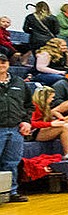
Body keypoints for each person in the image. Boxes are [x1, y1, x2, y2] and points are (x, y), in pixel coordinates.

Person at [0, 53, 33, 203]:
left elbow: (28, 105)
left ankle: (11, 191)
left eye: (4, 61)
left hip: (15, 129)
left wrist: (26, 121)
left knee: (12, 162)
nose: (1, 64)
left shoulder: (19, 82)